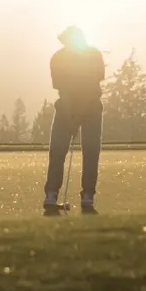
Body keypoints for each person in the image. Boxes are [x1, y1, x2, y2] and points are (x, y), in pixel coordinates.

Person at [43, 25, 105, 215]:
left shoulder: (94, 55)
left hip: (91, 108)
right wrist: (71, 113)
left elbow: (94, 86)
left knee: (91, 152)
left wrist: (81, 110)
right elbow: (63, 89)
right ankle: (51, 196)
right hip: (66, 108)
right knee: (57, 152)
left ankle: (88, 197)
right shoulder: (58, 58)